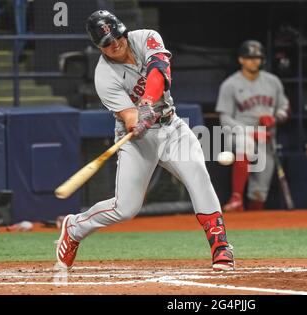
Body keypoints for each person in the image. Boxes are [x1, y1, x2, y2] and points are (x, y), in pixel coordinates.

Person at [56, 10, 234, 271]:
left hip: (172, 126)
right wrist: (136, 121)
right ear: (98, 47)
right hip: (138, 139)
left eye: (117, 37)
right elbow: (129, 116)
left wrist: (148, 103)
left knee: (198, 176)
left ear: (123, 31)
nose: (114, 44)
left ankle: (221, 247)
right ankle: (75, 227)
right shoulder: (104, 77)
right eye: (106, 43)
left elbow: (159, 70)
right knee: (125, 208)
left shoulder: (147, 37)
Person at [216, 40, 290, 212]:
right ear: (241, 60)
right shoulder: (230, 84)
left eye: (257, 57)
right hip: (238, 135)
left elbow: (285, 108)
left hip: (267, 140)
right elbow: (225, 119)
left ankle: (253, 224)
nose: (253, 61)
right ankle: (236, 197)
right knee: (245, 143)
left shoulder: (273, 82)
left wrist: (275, 118)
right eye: (249, 58)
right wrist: (251, 132)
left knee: (259, 193)